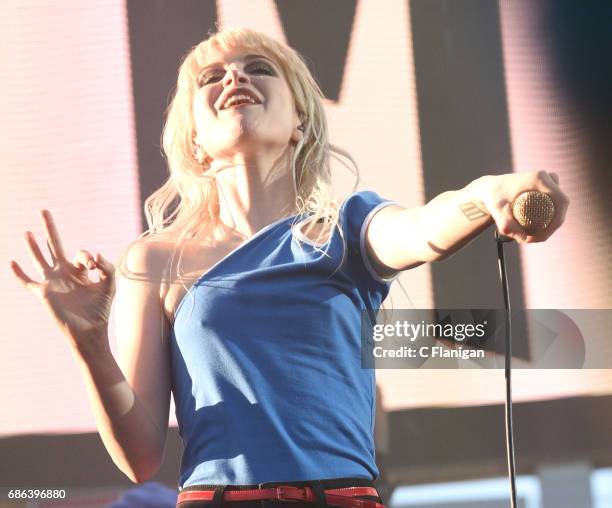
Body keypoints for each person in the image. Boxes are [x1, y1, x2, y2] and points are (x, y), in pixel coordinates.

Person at [9, 28, 568, 508]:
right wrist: (88, 343)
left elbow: (424, 227)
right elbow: (139, 456)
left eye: (258, 69)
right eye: (212, 77)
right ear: (195, 141)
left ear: (300, 118)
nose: (234, 78)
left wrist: (487, 193)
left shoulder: (349, 229)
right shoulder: (153, 260)